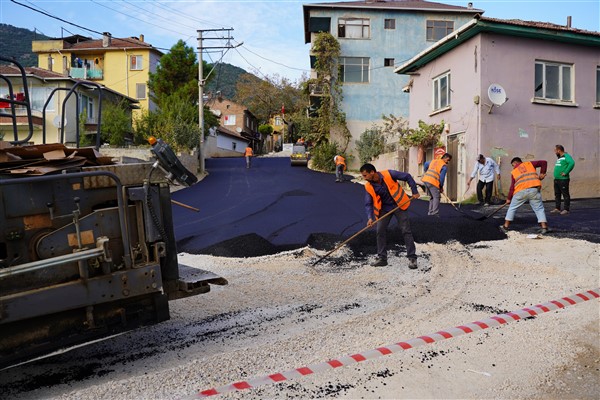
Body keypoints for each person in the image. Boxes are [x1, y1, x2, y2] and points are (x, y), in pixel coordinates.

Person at [360, 163, 420, 269]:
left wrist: (414, 191)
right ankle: (382, 258)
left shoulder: (389, 174)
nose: (364, 178)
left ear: (372, 172)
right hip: (384, 209)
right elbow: (368, 203)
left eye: (365, 175)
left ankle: (412, 258)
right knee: (380, 231)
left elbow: (407, 176)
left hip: (399, 205)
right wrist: (370, 217)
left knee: (406, 230)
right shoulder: (368, 186)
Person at [499, 157, 549, 234]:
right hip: (534, 190)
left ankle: (505, 226)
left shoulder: (514, 171)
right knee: (539, 209)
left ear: (515, 163)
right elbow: (544, 162)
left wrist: (509, 198)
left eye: (513, 165)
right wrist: (542, 172)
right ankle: (544, 227)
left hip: (520, 191)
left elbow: (512, 187)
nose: (513, 167)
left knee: (512, 208)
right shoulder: (529, 164)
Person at [422, 153, 452, 217]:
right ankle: (435, 213)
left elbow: (425, 164)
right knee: (436, 197)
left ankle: (430, 212)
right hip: (432, 182)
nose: (448, 162)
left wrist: (426, 171)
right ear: (445, 158)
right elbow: (442, 178)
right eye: (448, 160)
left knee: (432, 197)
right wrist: (440, 186)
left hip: (425, 179)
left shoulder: (434, 161)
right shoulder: (444, 166)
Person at [551, 145, 575, 215]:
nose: (555, 152)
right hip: (557, 179)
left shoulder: (566, 156)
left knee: (565, 194)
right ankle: (557, 208)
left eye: (555, 151)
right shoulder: (560, 158)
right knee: (557, 194)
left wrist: (566, 172)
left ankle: (566, 209)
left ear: (559, 150)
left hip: (563, 179)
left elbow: (572, 163)